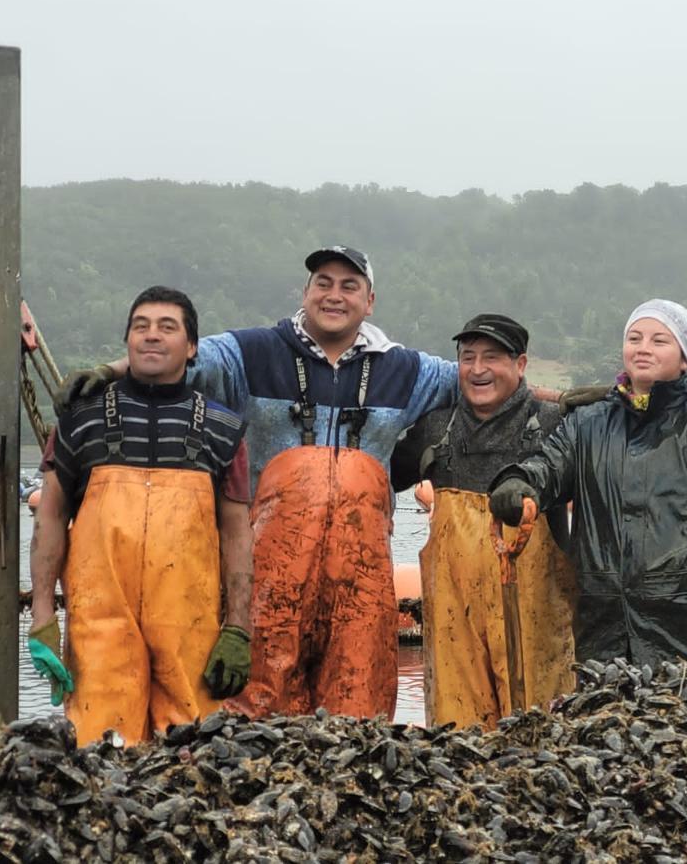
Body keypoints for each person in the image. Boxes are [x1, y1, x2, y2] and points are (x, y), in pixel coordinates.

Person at [55, 247, 460, 719]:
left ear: (370, 301)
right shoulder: (250, 352)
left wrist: (560, 401)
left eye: (349, 286)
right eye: (322, 284)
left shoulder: (407, 369)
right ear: (304, 294)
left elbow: (481, 379)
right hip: (266, 569)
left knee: (360, 706)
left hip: (362, 578)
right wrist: (109, 372)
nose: (334, 295)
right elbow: (174, 354)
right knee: (256, 707)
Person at [489, 300, 687, 699]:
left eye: (660, 340)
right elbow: (548, 465)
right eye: (634, 338)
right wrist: (519, 483)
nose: (643, 348)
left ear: (684, 360)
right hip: (605, 628)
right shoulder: (588, 423)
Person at [29, 286, 253, 746]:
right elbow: (49, 519)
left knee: (193, 751)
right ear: (127, 341)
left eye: (167, 328)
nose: (152, 336)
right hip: (99, 624)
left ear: (191, 348)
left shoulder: (224, 429)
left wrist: (239, 629)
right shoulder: (79, 419)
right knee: (98, 745)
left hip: (191, 628)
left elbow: (237, 534)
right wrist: (42, 616)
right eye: (140, 326)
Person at [391, 314, 576, 728]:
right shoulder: (436, 427)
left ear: (521, 365)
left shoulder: (555, 425)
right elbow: (382, 472)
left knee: (540, 738)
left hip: (535, 628)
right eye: (467, 357)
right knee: (457, 740)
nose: (478, 369)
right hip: (454, 627)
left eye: (492, 357)